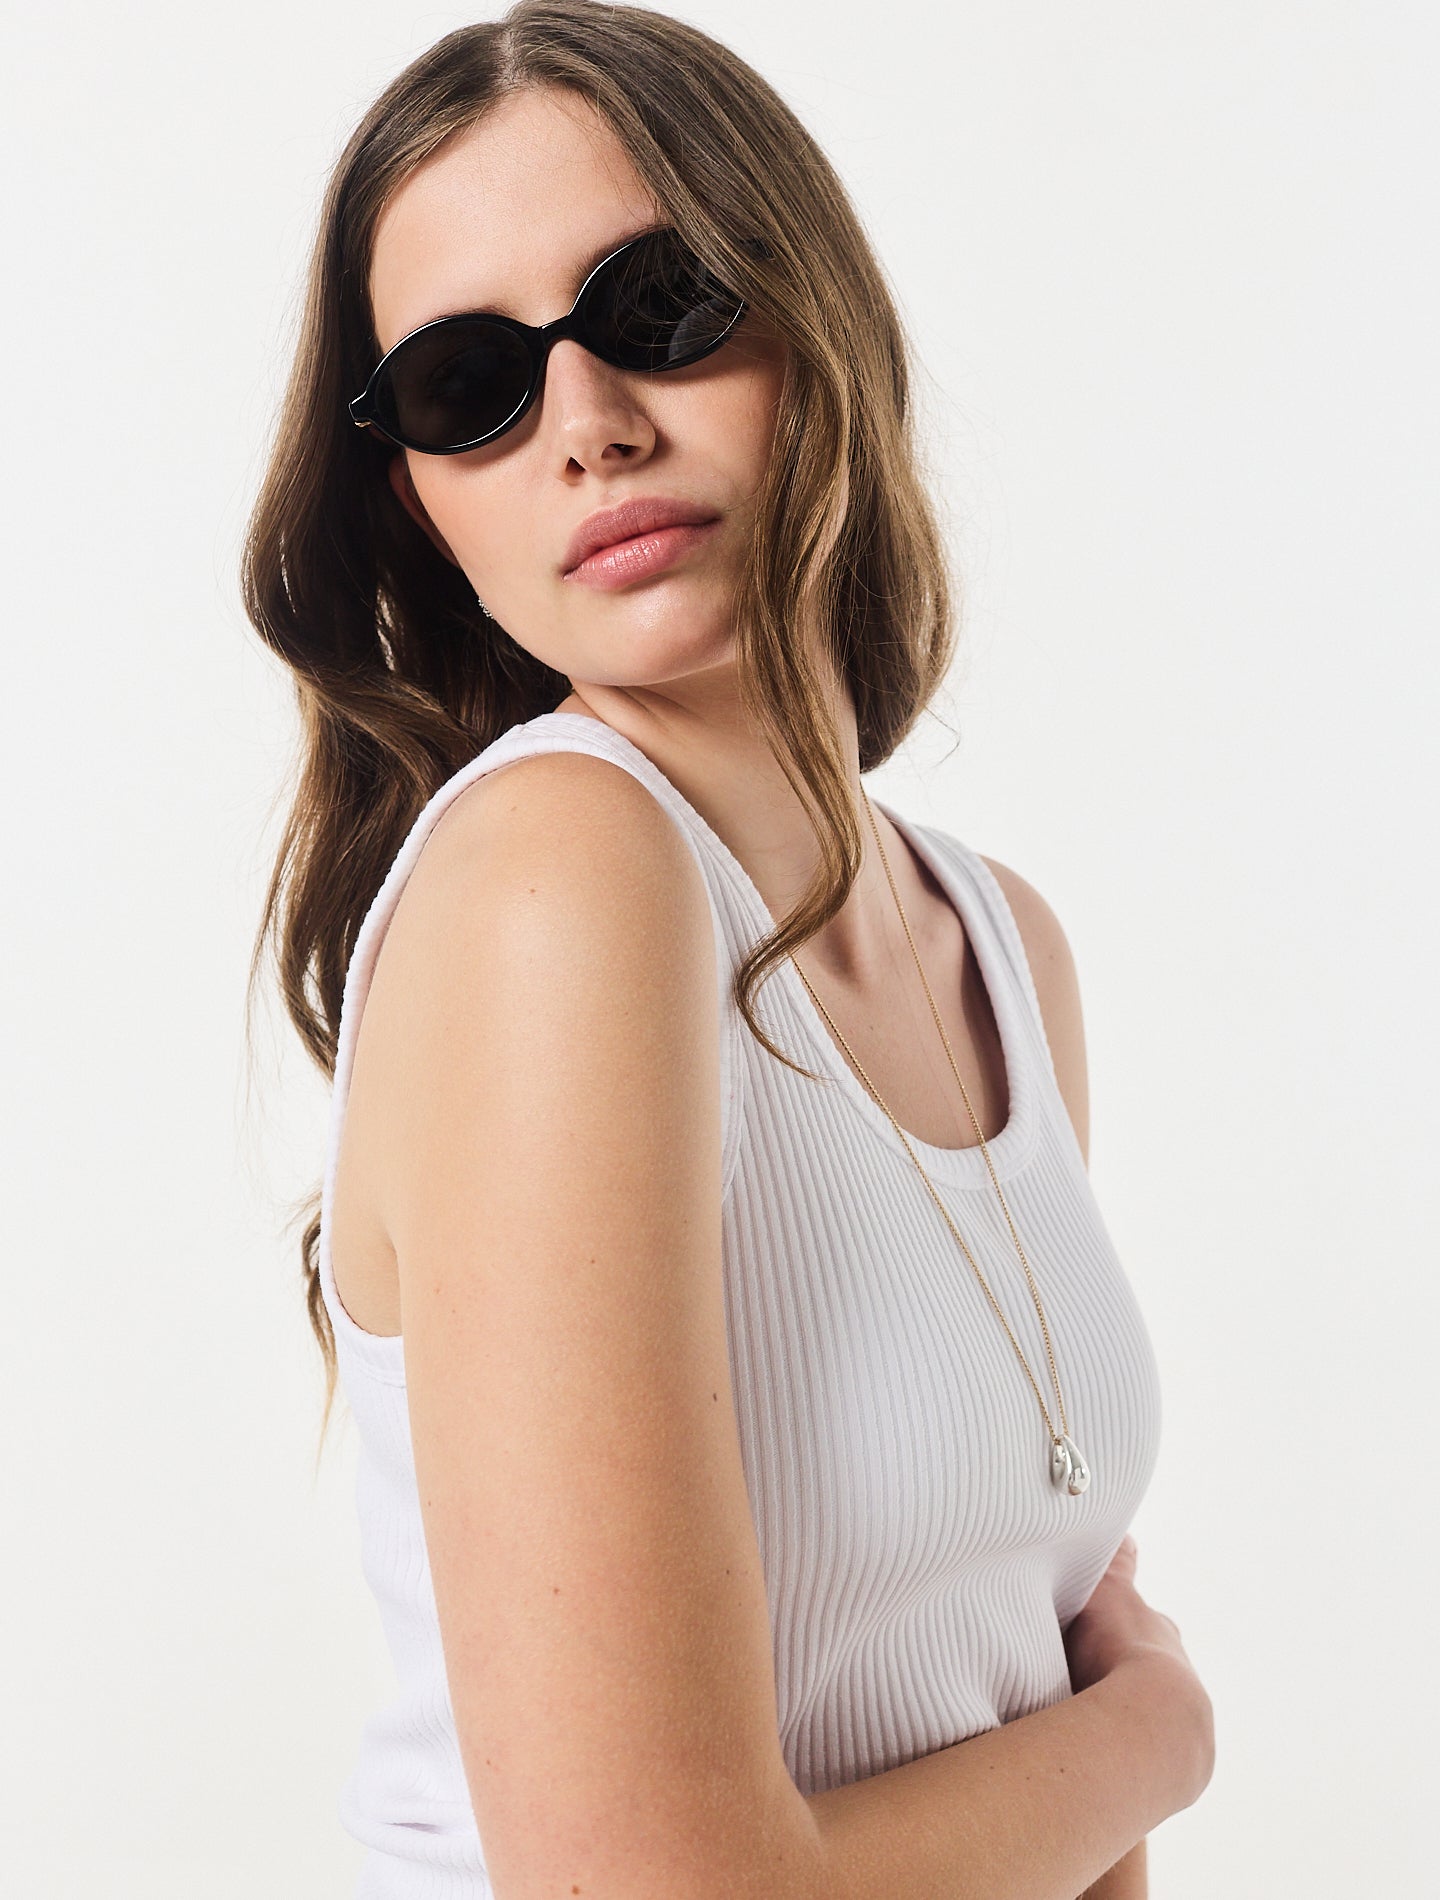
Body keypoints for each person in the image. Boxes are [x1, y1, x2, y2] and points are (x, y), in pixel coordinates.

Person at [242, 4, 1215, 1895]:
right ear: (417, 502)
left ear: (814, 311)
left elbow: (1024, 1666)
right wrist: (1165, 1743)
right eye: (468, 385)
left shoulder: (996, 942)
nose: (591, 426)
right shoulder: (560, 876)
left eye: (662, 303)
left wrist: (1120, 1781)